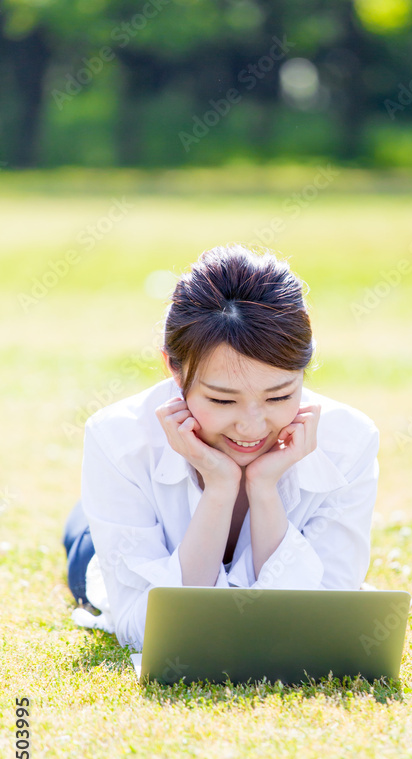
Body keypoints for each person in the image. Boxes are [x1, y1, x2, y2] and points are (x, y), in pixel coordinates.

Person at [61, 243, 380, 652]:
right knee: (84, 532)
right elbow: (145, 626)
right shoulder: (118, 439)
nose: (251, 426)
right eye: (222, 401)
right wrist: (220, 487)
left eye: (279, 396)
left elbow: (318, 616)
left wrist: (264, 489)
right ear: (173, 369)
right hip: (100, 539)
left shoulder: (350, 441)